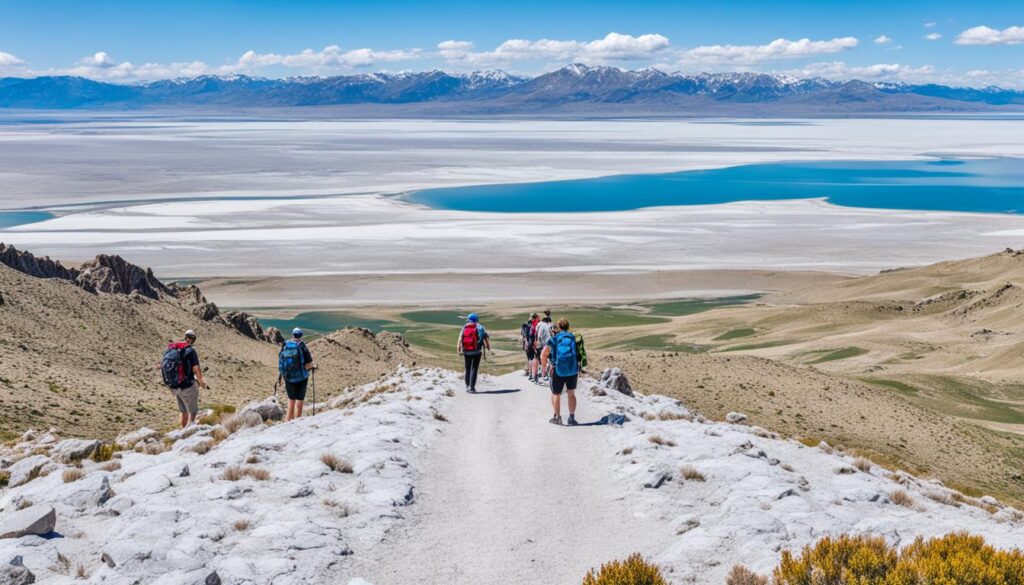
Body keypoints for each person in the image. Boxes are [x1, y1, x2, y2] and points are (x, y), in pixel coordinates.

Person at [160, 329, 206, 428]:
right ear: (194, 339)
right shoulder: (191, 350)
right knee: (192, 411)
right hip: (187, 385)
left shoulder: (175, 348)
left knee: (183, 410)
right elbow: (196, 368)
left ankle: (182, 429)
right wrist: (201, 382)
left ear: (185, 337)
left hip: (175, 385)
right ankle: (189, 431)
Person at [540, 319, 580, 426]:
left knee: (556, 393)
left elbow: (544, 355)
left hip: (558, 369)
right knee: (571, 393)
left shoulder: (554, 339)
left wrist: (544, 369)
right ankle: (571, 417)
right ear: (568, 326)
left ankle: (557, 417)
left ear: (559, 327)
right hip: (572, 369)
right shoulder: (573, 338)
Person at [279, 327, 315, 421]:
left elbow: (281, 358)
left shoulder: (285, 344)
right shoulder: (302, 346)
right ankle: (297, 421)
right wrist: (312, 368)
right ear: (301, 336)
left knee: (291, 400)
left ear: (292, 335)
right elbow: (309, 364)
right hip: (301, 378)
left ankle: (288, 420)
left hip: (288, 377)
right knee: (299, 400)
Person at [456, 312, 490, 393]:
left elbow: (460, 340)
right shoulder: (480, 328)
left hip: (466, 351)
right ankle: (472, 388)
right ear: (476, 320)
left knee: (467, 368)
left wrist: (458, 350)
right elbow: (486, 341)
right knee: (474, 369)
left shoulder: (464, 328)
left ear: (468, 319)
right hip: (477, 351)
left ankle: (467, 386)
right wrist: (487, 347)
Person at [534, 310, 554, 383]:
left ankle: (536, 376)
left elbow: (536, 334)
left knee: (539, 359)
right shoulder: (550, 324)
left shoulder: (539, 324)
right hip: (546, 344)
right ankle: (545, 375)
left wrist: (535, 342)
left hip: (540, 343)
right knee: (546, 359)